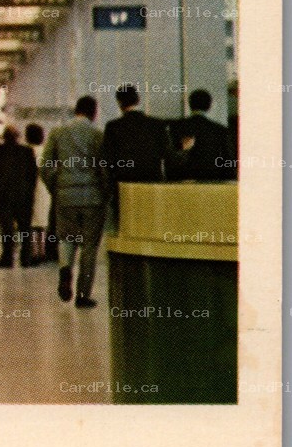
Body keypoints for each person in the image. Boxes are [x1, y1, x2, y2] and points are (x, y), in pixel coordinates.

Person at [41, 96, 108, 308]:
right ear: (94, 112)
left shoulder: (58, 133)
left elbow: (45, 166)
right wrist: (105, 192)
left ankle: (64, 269)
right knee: (89, 246)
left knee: (67, 237)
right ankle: (82, 295)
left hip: (65, 196)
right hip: (92, 197)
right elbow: (104, 167)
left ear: (75, 110)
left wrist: (56, 188)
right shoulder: (98, 135)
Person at [102, 85, 177, 219]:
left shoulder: (113, 127)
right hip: (152, 186)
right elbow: (169, 156)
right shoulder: (157, 125)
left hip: (124, 189)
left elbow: (107, 161)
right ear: (138, 100)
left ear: (119, 103)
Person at [0, 126, 38, 269]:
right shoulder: (27, 151)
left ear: (4, 137)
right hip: (24, 195)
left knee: (7, 229)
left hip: (4, 195)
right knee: (25, 228)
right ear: (18, 137)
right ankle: (26, 259)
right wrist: (30, 191)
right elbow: (33, 174)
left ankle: (7, 258)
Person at [174, 89, 235, 181]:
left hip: (184, 180)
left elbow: (170, 156)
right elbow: (228, 159)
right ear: (209, 106)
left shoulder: (176, 126)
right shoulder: (220, 130)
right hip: (212, 179)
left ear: (190, 104)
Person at [23, 123, 51, 267]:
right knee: (43, 223)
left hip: (31, 189)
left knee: (33, 223)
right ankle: (43, 251)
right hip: (45, 190)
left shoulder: (26, 152)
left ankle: (34, 252)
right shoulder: (46, 151)